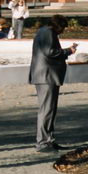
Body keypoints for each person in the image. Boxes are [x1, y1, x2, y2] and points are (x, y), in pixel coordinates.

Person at [30, 15, 71, 152]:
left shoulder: (44, 31)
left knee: (49, 110)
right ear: (58, 25)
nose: (63, 31)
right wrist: (68, 51)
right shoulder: (48, 32)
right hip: (46, 76)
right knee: (47, 110)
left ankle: (49, 140)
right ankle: (43, 142)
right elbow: (50, 52)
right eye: (63, 28)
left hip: (45, 75)